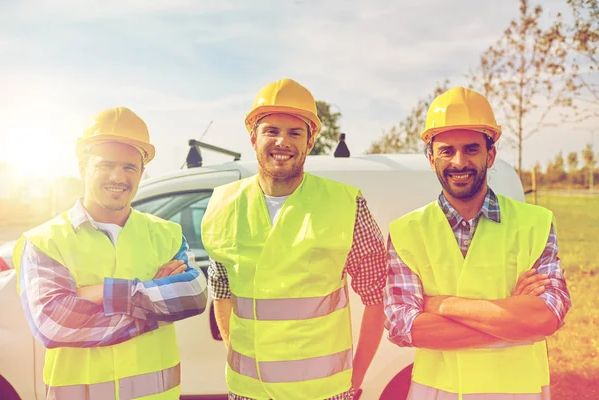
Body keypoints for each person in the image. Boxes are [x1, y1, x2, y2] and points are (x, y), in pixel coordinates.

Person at [201, 78, 387, 400]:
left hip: (324, 393)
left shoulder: (345, 205)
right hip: (248, 393)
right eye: (271, 130)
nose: (282, 142)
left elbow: (377, 297)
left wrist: (354, 379)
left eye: (295, 132)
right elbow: (221, 290)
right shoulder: (224, 205)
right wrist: (237, 354)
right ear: (253, 138)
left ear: (310, 140)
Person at [384, 87, 572, 399]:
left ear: (491, 154)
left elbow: (548, 315)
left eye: (471, 149)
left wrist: (442, 304)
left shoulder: (536, 223)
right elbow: (404, 327)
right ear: (431, 159)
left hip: (517, 392)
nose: (459, 162)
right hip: (437, 392)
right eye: (446, 151)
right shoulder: (406, 232)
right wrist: (512, 317)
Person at [13, 106, 208, 400]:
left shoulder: (166, 233)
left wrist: (103, 293)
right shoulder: (45, 240)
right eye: (106, 165)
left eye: (130, 167)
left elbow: (193, 296)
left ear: (142, 172)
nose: (119, 176)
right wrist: (158, 304)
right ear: (83, 168)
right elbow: (55, 324)